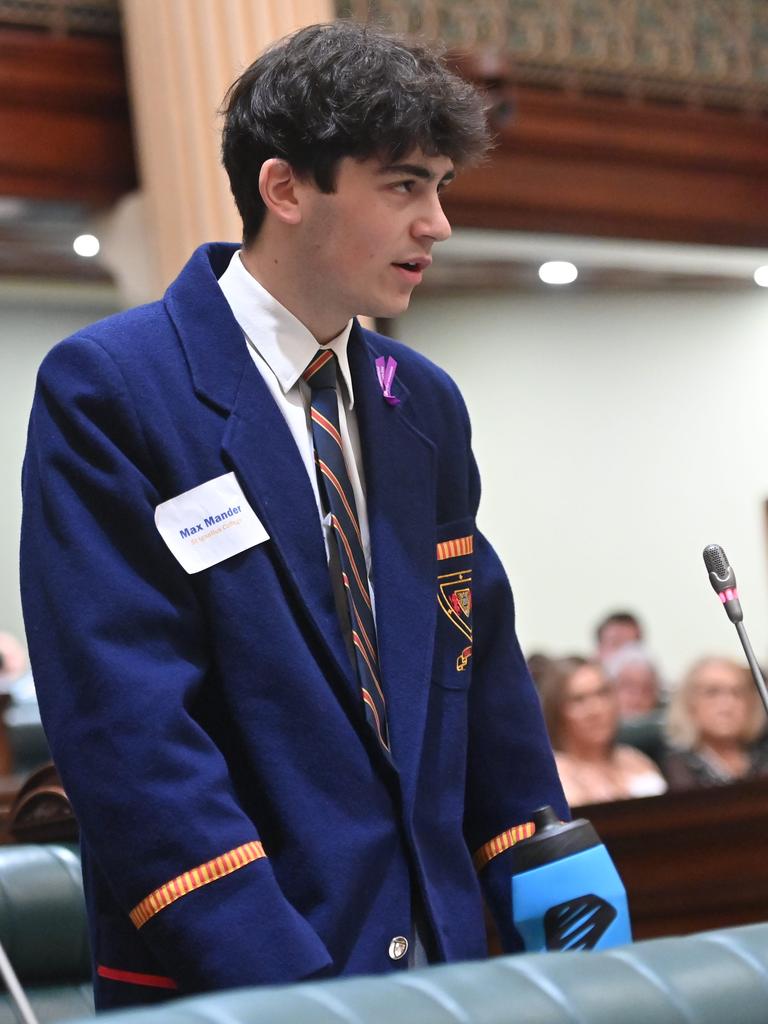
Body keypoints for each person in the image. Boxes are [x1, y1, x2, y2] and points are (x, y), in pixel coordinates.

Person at [20, 21, 567, 1011]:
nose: (438, 221)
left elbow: (472, 663)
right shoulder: (114, 389)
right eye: (405, 184)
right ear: (285, 189)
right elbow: (129, 730)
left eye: (441, 185)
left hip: (446, 970)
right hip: (240, 977)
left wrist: (544, 858)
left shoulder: (423, 401)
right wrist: (295, 992)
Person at [538, 656, 666, 807]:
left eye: (602, 693)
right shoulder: (554, 775)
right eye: (578, 699)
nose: (596, 709)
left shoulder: (637, 759)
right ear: (556, 711)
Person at [664, 656, 768, 790]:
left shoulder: (764, 757)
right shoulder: (675, 768)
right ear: (689, 703)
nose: (727, 704)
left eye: (737, 693)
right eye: (712, 692)